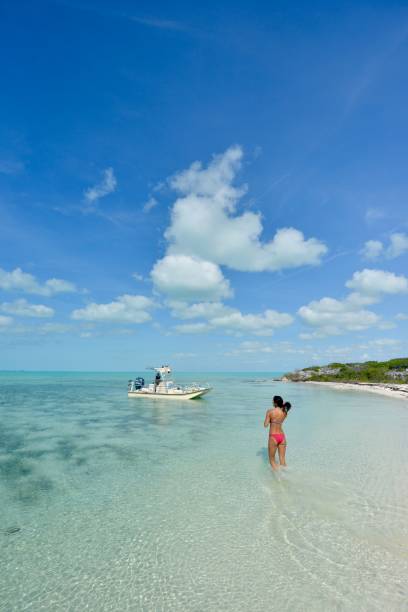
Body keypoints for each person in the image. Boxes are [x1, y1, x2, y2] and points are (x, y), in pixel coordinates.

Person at [264, 395, 292, 470]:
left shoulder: (270, 411)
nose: (272, 402)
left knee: (272, 461)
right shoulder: (285, 413)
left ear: (275, 403)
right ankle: (286, 473)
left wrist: (270, 419)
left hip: (273, 436)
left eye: (273, 401)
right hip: (282, 436)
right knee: (282, 461)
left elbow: (265, 425)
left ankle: (278, 478)